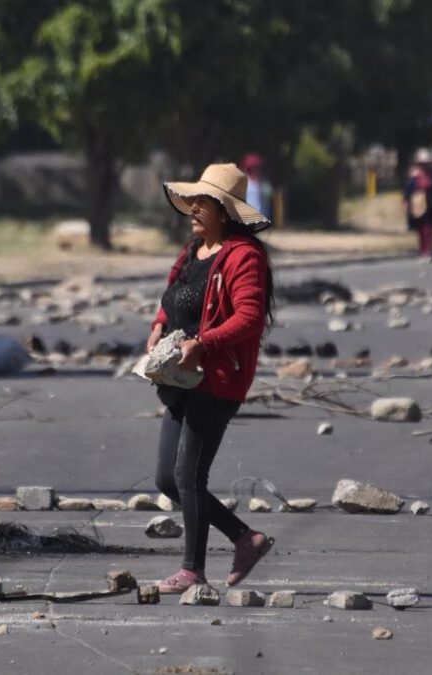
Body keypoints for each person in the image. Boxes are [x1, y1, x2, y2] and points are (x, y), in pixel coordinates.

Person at [148, 163, 276, 594]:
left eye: (203, 204)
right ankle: (245, 539)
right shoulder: (192, 251)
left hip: (218, 379)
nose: (193, 211)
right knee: (168, 480)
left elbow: (250, 318)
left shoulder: (245, 256)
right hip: (179, 377)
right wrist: (158, 326)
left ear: (225, 210)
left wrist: (204, 342)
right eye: (193, 203)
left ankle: (192, 570)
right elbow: (174, 298)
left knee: (189, 475)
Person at [403, 149, 432, 261]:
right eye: (422, 164)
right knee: (420, 228)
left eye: (426, 164)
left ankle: (429, 250)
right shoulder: (414, 175)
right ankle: (423, 249)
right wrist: (406, 201)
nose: (424, 166)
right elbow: (408, 189)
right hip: (417, 204)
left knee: (429, 228)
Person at [240, 152, 273, 220]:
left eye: (259, 168)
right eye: (256, 168)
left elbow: (269, 194)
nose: (258, 170)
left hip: (262, 218)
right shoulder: (244, 182)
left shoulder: (263, 183)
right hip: (248, 218)